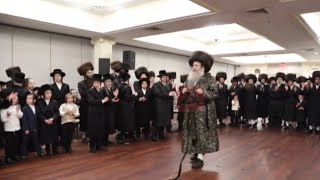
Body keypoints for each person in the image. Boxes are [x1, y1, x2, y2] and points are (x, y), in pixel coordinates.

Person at [179, 51, 219, 171]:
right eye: (193, 65)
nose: (193, 67)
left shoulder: (210, 79)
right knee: (193, 132)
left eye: (196, 65)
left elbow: (215, 94)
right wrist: (184, 91)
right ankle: (195, 151)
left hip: (204, 112)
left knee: (202, 132)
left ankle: (201, 156)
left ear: (203, 67)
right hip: (191, 111)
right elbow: (184, 91)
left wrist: (204, 93)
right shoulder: (190, 78)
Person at [152, 70, 175, 141]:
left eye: (165, 77)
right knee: (157, 121)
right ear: (160, 78)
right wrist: (168, 94)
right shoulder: (156, 85)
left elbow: (170, 94)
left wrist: (173, 95)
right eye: (163, 77)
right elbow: (157, 93)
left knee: (164, 121)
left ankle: (161, 134)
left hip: (166, 105)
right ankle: (154, 136)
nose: (164, 78)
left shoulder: (169, 85)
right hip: (159, 105)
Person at [87, 74, 108, 153]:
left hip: (101, 112)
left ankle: (99, 145)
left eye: (97, 82)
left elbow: (107, 98)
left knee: (100, 129)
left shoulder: (102, 90)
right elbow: (91, 101)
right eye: (94, 82)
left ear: (100, 83)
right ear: (93, 83)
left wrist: (106, 99)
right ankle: (92, 147)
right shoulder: (90, 91)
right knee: (93, 130)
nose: (96, 84)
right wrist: (102, 101)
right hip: (93, 113)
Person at [37, 84, 60, 156]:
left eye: (50, 93)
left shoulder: (54, 102)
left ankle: (55, 149)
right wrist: (45, 120)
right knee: (46, 136)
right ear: (43, 94)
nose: (49, 94)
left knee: (54, 135)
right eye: (47, 93)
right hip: (44, 122)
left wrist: (53, 118)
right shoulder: (40, 103)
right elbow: (39, 113)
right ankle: (48, 150)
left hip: (53, 121)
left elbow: (57, 112)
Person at [1, 95, 23, 164]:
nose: (15, 100)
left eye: (16, 99)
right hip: (8, 129)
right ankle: (8, 157)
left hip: (17, 128)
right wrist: (7, 115)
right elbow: (3, 119)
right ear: (9, 99)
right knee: (9, 144)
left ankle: (14, 156)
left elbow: (20, 116)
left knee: (16, 143)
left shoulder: (17, 106)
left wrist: (18, 111)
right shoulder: (4, 108)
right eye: (14, 99)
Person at [21, 93, 44, 159]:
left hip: (35, 127)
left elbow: (39, 116)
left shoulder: (36, 108)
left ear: (34, 100)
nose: (28, 100)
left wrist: (45, 119)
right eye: (27, 98)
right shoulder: (24, 108)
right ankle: (23, 154)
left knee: (36, 140)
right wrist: (26, 129)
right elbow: (24, 119)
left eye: (30, 98)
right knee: (25, 142)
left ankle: (39, 152)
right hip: (27, 128)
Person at [117, 72, 137, 143]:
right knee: (127, 121)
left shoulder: (120, 86)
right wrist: (134, 95)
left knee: (123, 121)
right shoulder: (127, 87)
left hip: (121, 106)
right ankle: (126, 136)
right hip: (127, 107)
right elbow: (128, 98)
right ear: (127, 79)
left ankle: (122, 135)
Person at [77, 62, 94, 143]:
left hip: (93, 104)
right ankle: (85, 136)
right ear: (85, 74)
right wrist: (91, 89)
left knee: (92, 121)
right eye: (88, 72)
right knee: (85, 120)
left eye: (91, 72)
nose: (90, 74)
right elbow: (83, 94)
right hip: (85, 104)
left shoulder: (96, 81)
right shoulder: (81, 83)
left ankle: (92, 135)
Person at [101, 74, 119, 145]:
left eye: (110, 81)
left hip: (110, 110)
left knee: (109, 125)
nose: (109, 83)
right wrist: (112, 100)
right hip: (105, 110)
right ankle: (103, 141)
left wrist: (115, 96)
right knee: (105, 125)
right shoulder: (102, 89)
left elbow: (113, 99)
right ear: (104, 82)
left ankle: (106, 140)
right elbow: (103, 100)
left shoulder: (111, 89)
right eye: (107, 81)